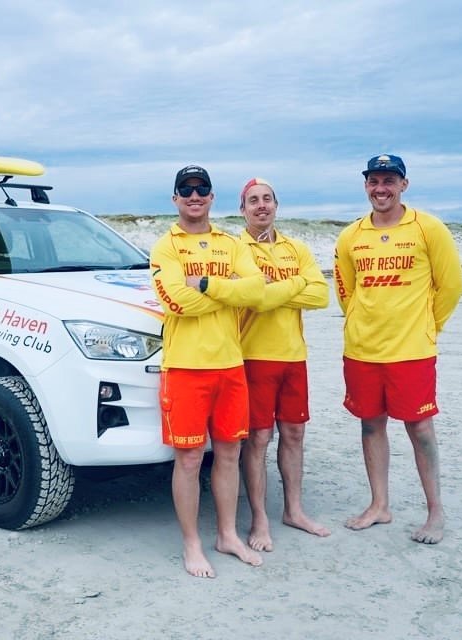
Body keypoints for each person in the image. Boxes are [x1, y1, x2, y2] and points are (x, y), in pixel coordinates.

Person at [333, 154, 462, 544]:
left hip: (412, 351)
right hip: (362, 350)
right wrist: (360, 319)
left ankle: (435, 512)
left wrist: (428, 326)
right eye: (374, 181)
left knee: (420, 427)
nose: (381, 188)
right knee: (370, 423)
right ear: (366, 186)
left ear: (404, 184)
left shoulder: (428, 228)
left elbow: (451, 285)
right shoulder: (351, 236)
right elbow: (346, 290)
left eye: (389, 180)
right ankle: (379, 505)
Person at [149, 165, 267, 577]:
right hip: (185, 367)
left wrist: (208, 286)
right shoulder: (166, 247)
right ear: (176, 199)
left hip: (230, 364)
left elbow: (257, 289)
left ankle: (227, 535)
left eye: (202, 190)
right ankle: (192, 543)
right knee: (189, 458)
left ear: (213, 197)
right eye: (186, 190)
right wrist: (227, 294)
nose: (194, 196)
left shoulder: (230, 244)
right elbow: (175, 302)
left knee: (230, 454)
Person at [236, 178, 331, 552]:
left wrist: (275, 287)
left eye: (267, 200)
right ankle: (259, 518)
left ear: (276, 205)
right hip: (253, 355)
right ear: (243, 208)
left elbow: (321, 295)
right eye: (253, 201)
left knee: (294, 435)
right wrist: (294, 287)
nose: (261, 206)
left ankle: (294, 510)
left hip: (294, 356)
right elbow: (254, 298)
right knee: (258, 438)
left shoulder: (297, 248)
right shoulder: (236, 249)